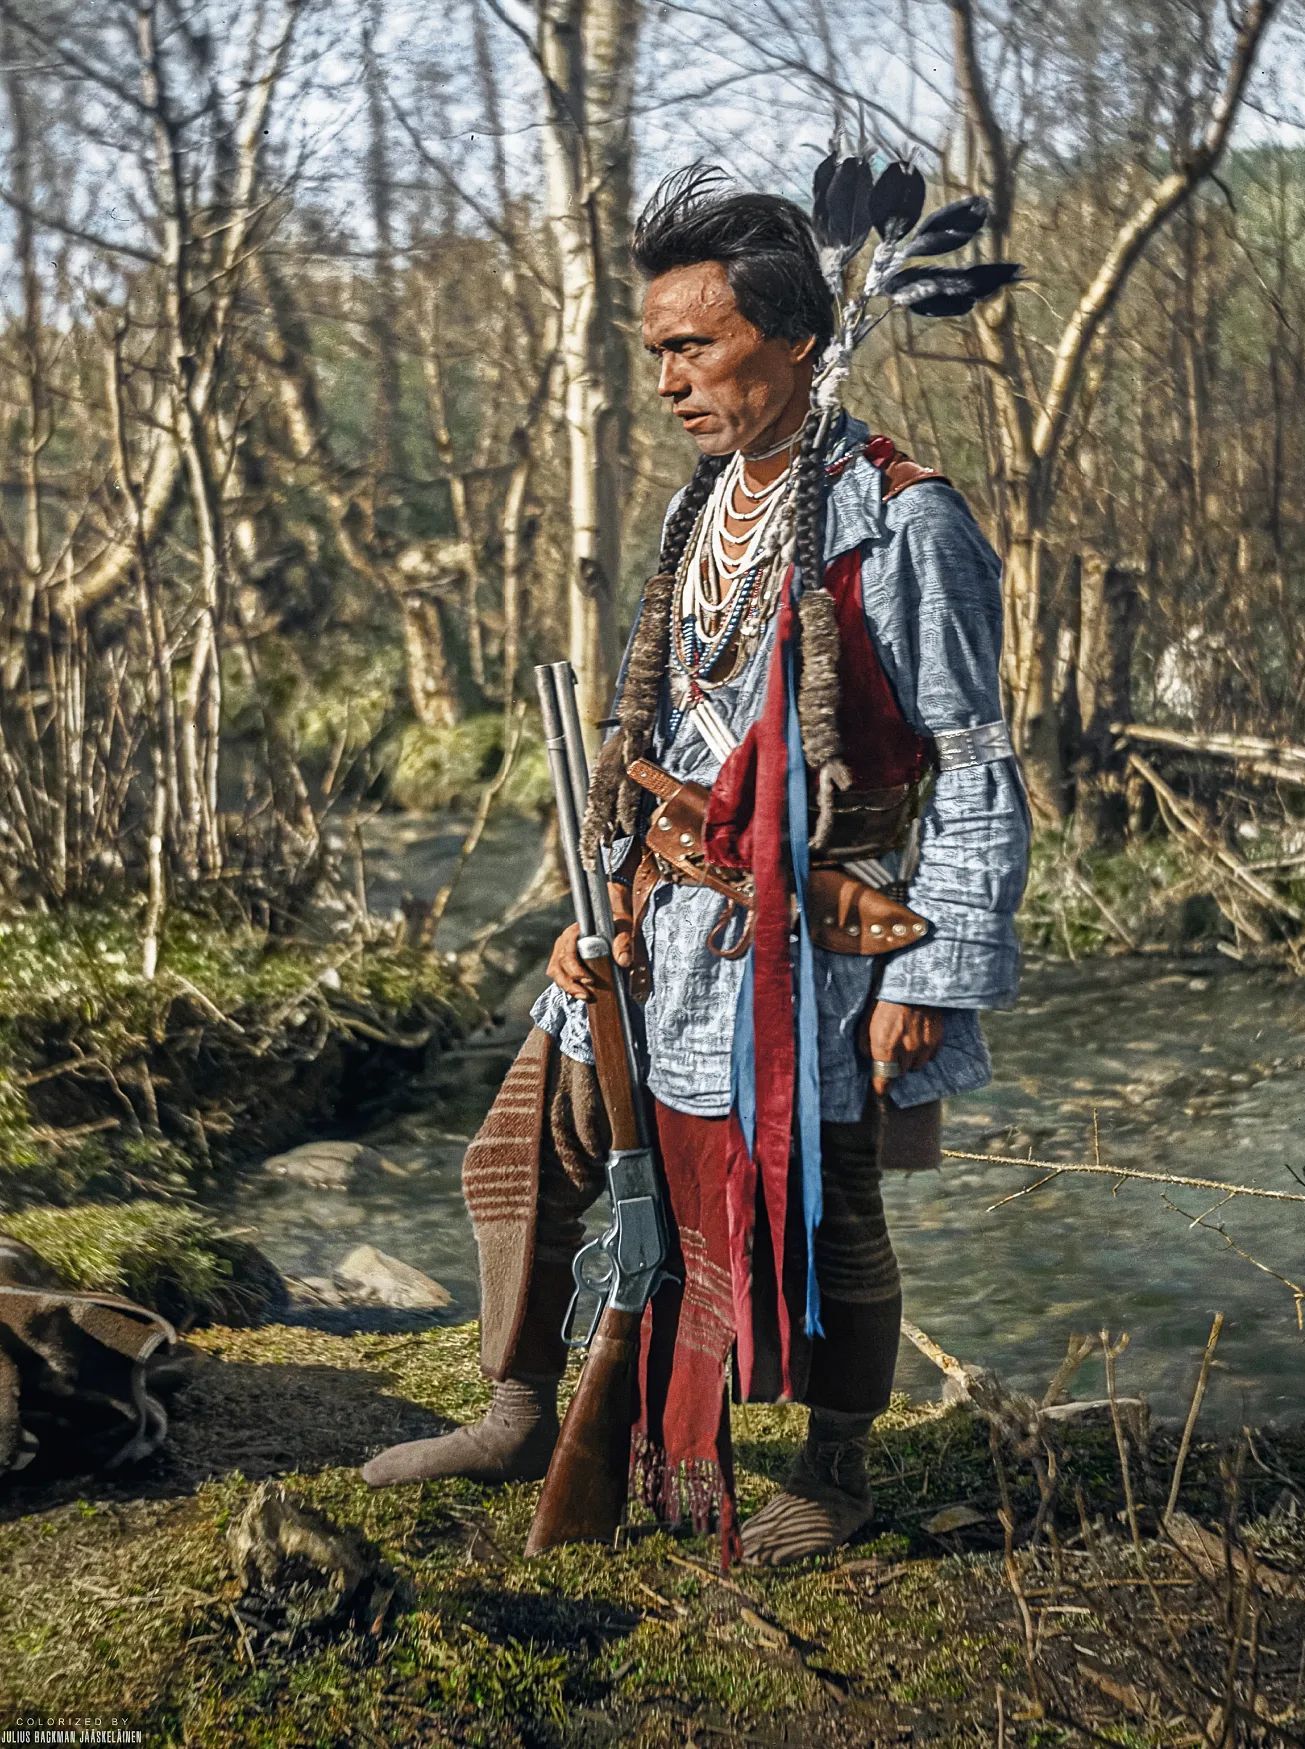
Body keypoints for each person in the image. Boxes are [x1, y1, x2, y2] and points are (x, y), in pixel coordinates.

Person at [361, 166, 1031, 1568]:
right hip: (663, 914)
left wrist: (940, 979)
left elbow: (975, 765)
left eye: (695, 345)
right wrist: (597, 901)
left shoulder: (905, 523)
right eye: (654, 349)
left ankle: (836, 1470)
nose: (668, 377)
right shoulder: (697, 512)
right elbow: (655, 739)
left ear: (793, 339)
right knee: (539, 1134)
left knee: (826, 1192)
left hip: (822, 946)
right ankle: (521, 1409)